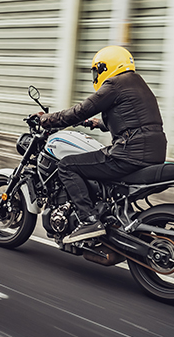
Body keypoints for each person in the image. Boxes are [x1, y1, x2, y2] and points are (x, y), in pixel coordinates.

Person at [39, 45, 167, 244]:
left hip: (129, 154)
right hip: (154, 153)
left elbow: (81, 110)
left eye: (96, 71)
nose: (95, 76)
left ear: (104, 67)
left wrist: (47, 119)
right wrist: (96, 123)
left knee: (67, 165)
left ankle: (89, 220)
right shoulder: (138, 84)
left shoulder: (115, 84)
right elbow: (131, 120)